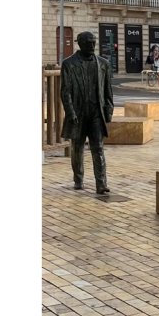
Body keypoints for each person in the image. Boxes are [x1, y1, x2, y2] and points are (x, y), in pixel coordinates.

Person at [61, 31, 115, 194]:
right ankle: (78, 179)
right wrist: (70, 112)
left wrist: (109, 110)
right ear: (80, 44)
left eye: (93, 42)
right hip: (78, 113)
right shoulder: (69, 64)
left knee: (98, 147)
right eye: (88, 43)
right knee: (77, 148)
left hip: (96, 113)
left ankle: (101, 183)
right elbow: (65, 91)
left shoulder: (103, 64)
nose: (92, 46)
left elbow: (108, 91)